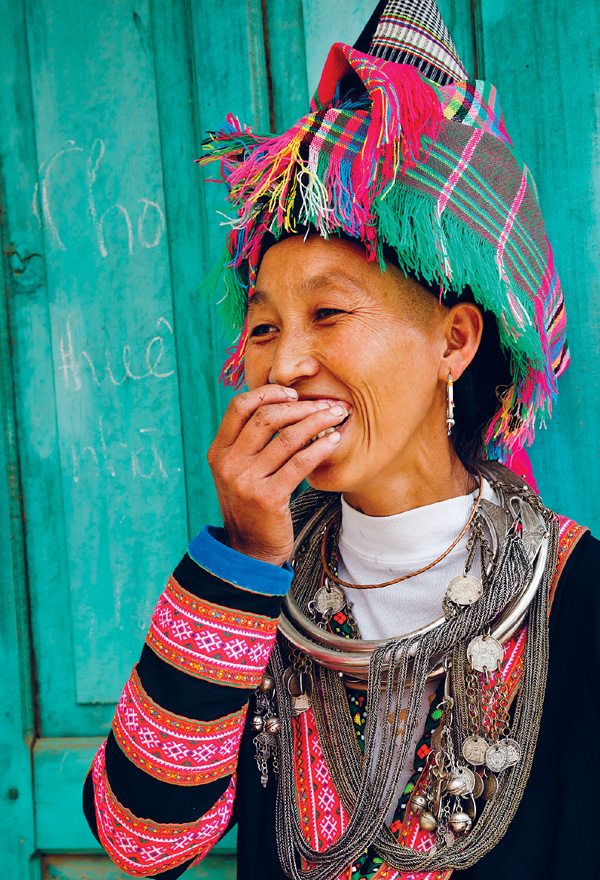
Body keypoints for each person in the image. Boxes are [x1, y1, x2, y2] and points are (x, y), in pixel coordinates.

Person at [83, 2, 599, 878]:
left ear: (455, 341)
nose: (284, 366)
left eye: (327, 314)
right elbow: (142, 841)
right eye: (261, 328)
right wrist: (246, 555)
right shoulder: (250, 600)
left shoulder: (578, 604)